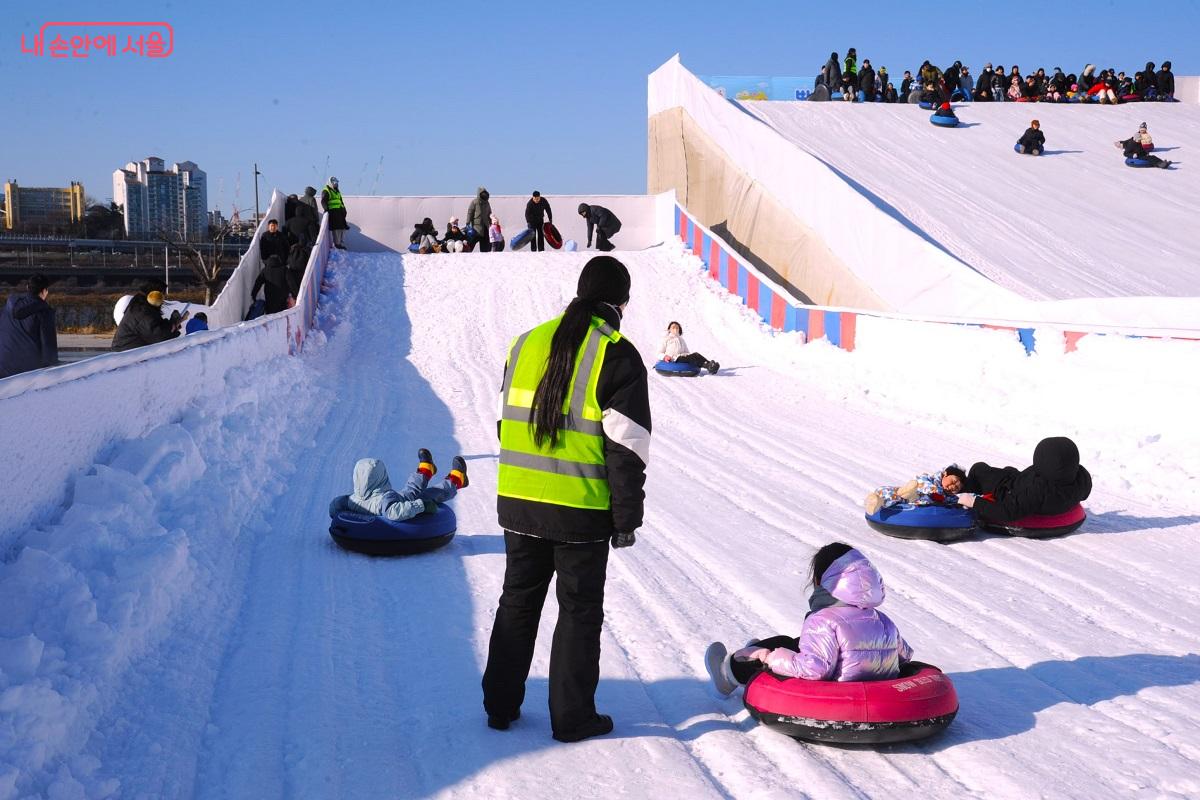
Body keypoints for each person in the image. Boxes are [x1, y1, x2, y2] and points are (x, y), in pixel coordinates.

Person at [482, 256, 651, 743]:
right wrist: (626, 518)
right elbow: (626, 449)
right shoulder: (615, 354)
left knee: (517, 601)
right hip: (579, 508)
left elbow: (502, 421)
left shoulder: (527, 341)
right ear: (620, 303)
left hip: (518, 500)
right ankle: (572, 717)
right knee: (578, 611)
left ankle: (500, 706)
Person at [705, 543, 913, 696]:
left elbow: (815, 669)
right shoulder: (883, 620)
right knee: (796, 643)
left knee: (783, 647)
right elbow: (904, 655)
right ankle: (756, 654)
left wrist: (770, 658)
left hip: (837, 695)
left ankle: (728, 673)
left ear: (820, 581)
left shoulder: (823, 620)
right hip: (876, 692)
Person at [957, 437, 1093, 524]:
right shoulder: (1080, 479)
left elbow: (1007, 512)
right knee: (1007, 470)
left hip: (1007, 492)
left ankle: (955, 488)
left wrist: (974, 502)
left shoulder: (1039, 490)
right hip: (1022, 480)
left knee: (978, 469)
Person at [329, 451, 468, 522]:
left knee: (410, 490)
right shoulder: (385, 499)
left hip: (391, 499)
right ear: (381, 477)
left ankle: (426, 470)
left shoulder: (351, 499)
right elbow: (393, 512)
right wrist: (422, 506)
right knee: (425, 495)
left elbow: (334, 506)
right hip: (395, 503)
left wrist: (337, 516)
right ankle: (456, 480)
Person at [0, 274, 58, 379]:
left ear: (27, 288)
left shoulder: (9, 305)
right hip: (27, 371)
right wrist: (53, 370)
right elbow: (48, 344)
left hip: (3, 366)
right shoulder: (44, 312)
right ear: (45, 291)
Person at [864, 465, 967, 515]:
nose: (953, 487)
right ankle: (877, 501)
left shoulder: (948, 496)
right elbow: (923, 483)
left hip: (913, 502)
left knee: (898, 499)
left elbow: (957, 500)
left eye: (957, 488)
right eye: (953, 481)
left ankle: (879, 502)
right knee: (894, 493)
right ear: (945, 474)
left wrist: (964, 503)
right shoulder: (930, 479)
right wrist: (935, 491)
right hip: (914, 492)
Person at [112, 290, 183, 351]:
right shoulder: (144, 314)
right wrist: (172, 324)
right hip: (126, 352)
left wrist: (172, 323)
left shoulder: (143, 309)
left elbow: (157, 328)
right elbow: (158, 336)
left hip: (128, 349)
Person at [322, 176, 348, 250]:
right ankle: (337, 244)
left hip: (339, 212)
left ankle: (339, 243)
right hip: (333, 212)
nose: (336, 184)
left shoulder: (337, 191)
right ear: (330, 183)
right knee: (336, 228)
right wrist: (326, 209)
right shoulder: (326, 190)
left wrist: (344, 209)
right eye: (334, 183)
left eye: (336, 183)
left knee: (342, 228)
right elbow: (323, 201)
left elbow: (340, 201)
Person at [467, 186, 493, 253]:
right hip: (476, 227)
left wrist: (491, 222)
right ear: (479, 193)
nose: (484, 194)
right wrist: (468, 222)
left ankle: (484, 255)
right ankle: (466, 252)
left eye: (485, 193)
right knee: (472, 242)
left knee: (485, 246)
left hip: (485, 227)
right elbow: (470, 212)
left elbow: (489, 213)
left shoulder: (487, 203)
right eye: (482, 193)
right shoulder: (475, 202)